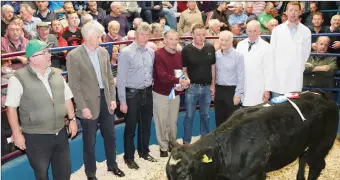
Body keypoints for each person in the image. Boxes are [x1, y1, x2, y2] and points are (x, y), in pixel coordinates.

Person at [5, 39, 78, 180]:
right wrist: (16, 133)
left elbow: (67, 98)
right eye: (44, 52)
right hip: (36, 136)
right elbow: (11, 108)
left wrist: (72, 119)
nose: (49, 55)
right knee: (41, 173)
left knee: (64, 172)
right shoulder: (18, 78)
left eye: (48, 52)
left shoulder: (56, 74)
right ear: (32, 58)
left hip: (60, 131)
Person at [66, 21, 125, 180]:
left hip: (106, 99)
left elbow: (109, 77)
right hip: (87, 103)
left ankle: (113, 165)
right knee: (89, 141)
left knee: (110, 136)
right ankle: (90, 173)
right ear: (89, 37)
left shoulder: (103, 52)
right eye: (99, 37)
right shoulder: (74, 55)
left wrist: (112, 98)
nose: (101, 39)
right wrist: (82, 107)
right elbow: (74, 85)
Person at [117, 22, 157, 170]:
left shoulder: (150, 52)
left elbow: (151, 72)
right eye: (142, 34)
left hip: (147, 91)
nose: (144, 37)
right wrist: (122, 101)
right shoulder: (126, 52)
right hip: (131, 93)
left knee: (146, 124)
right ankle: (129, 157)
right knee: (131, 127)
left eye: (147, 35)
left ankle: (144, 151)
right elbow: (120, 79)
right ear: (135, 35)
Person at [153, 29, 190, 157]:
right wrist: (179, 81)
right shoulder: (158, 54)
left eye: (176, 39)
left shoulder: (179, 55)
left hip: (174, 92)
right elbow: (162, 76)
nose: (174, 42)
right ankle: (163, 147)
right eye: (171, 39)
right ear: (164, 40)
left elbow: (179, 72)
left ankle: (172, 143)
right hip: (161, 93)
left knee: (172, 120)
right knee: (161, 120)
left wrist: (184, 81)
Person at [182, 23, 216, 145]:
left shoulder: (210, 48)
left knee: (205, 115)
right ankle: (186, 142)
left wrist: (213, 85)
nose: (201, 37)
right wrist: (186, 80)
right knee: (189, 116)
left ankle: (205, 141)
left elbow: (213, 67)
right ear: (192, 35)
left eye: (203, 34)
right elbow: (183, 69)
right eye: (198, 35)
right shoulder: (186, 50)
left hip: (207, 87)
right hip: (192, 88)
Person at [268, 1, 311, 97]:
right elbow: (272, 54)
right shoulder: (277, 30)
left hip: (295, 77)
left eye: (296, 10)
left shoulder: (306, 31)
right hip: (278, 77)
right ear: (286, 12)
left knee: (293, 110)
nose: (293, 13)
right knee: (277, 109)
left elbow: (305, 54)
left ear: (300, 12)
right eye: (291, 10)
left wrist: (297, 66)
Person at [236, 20, 270, 107]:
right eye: (250, 31)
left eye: (255, 31)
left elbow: (268, 70)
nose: (252, 34)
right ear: (246, 31)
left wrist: (267, 90)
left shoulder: (266, 46)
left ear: (259, 31)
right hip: (243, 87)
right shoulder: (240, 45)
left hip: (259, 88)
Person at [214, 30, 244, 127]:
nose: (223, 42)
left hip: (232, 90)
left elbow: (241, 76)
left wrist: (238, 94)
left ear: (231, 41)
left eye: (226, 40)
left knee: (232, 121)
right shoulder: (216, 54)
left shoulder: (238, 55)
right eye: (221, 40)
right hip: (219, 90)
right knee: (219, 119)